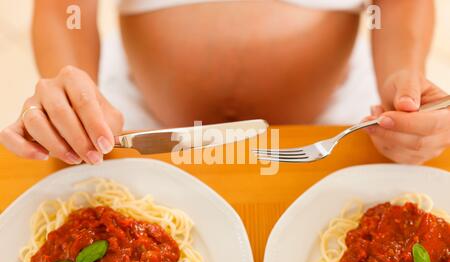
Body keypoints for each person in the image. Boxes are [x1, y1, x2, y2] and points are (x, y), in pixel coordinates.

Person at [0, 0, 448, 165]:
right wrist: (77, 90)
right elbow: (66, 7)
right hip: (137, 127)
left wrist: (401, 77)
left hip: (335, 127)